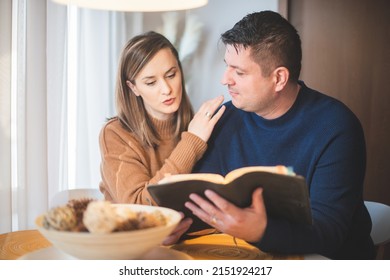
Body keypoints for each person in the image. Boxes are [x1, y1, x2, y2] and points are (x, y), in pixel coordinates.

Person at [183, 11, 375, 259]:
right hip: (249, 256)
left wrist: (261, 230)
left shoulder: (337, 127)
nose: (224, 80)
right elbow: (203, 200)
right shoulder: (223, 119)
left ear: (279, 79)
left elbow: (329, 232)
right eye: (227, 67)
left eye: (239, 72)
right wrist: (178, 227)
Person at [99, 31, 225, 227]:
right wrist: (191, 143)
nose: (166, 89)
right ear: (133, 88)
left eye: (171, 74)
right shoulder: (115, 134)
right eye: (151, 82)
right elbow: (139, 207)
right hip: (130, 247)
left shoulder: (195, 126)